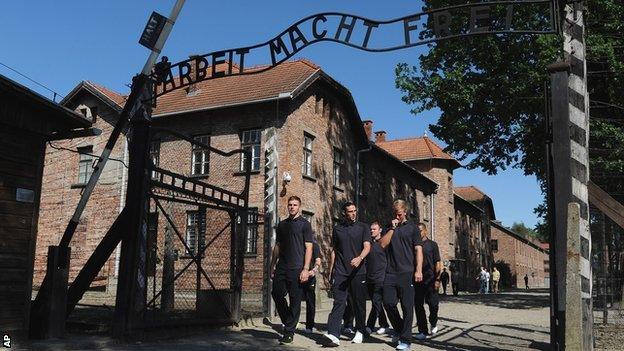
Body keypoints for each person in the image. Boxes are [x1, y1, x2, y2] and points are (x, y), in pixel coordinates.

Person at [324, 202, 371, 346]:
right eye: (350, 211)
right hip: (341, 271)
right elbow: (334, 251)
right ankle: (333, 334)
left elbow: (367, 246)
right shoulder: (337, 229)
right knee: (339, 302)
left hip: (358, 272)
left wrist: (360, 258)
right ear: (344, 213)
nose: (353, 213)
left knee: (358, 304)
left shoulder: (363, 227)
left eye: (354, 211)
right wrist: (330, 271)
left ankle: (360, 331)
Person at [379, 199, 423, 351]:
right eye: (394, 213)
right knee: (388, 302)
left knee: (407, 307)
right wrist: (392, 228)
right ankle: (399, 328)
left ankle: (406, 340)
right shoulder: (389, 227)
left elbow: (418, 250)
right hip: (390, 272)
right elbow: (382, 244)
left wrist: (418, 270)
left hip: (407, 272)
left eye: (399, 213)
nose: (396, 216)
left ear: (405, 212)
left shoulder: (413, 229)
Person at [270, 196, 314, 344]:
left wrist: (306, 269)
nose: (292, 207)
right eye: (290, 205)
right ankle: (289, 320)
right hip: (282, 266)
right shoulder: (282, 225)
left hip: (297, 268)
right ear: (287, 206)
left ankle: (289, 332)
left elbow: (309, 247)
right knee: (276, 293)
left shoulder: (305, 224)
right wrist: (272, 265)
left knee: (295, 301)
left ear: (299, 206)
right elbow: (277, 246)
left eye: (295, 205)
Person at [414, 223, 442, 339]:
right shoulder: (414, 245)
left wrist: (437, 279)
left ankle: (433, 322)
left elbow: (438, 263)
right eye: (417, 231)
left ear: (425, 231)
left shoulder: (432, 245)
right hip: (418, 279)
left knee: (433, 305)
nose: (418, 233)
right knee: (418, 305)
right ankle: (422, 331)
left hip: (431, 279)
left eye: (420, 230)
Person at [365, 221, 389, 336]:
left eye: (374, 229)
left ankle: (383, 325)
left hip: (381, 277)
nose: (371, 231)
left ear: (380, 230)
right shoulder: (368, 243)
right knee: (376, 303)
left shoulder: (384, 243)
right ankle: (370, 326)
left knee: (376, 300)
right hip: (369, 277)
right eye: (371, 229)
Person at [303, 240, 322, 333]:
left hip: (310, 276)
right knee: (295, 299)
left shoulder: (314, 245)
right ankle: (289, 323)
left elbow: (318, 260)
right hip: (297, 274)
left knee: (310, 301)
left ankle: (309, 326)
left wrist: (314, 270)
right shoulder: (296, 243)